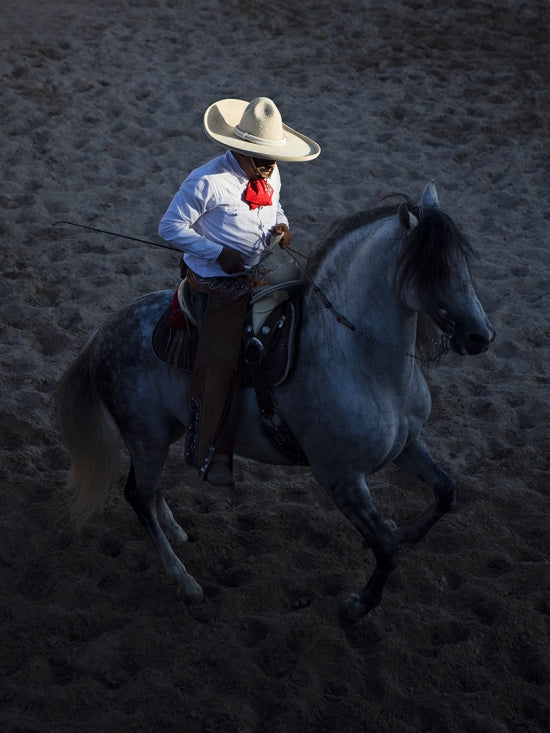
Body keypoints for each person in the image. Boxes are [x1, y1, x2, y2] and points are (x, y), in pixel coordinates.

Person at [158, 97, 320, 487]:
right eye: (259, 156)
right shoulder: (206, 181)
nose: (268, 164)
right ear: (238, 148)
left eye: (271, 156)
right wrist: (217, 252)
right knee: (222, 363)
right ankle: (211, 451)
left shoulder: (272, 174)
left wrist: (282, 225)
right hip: (216, 284)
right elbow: (169, 227)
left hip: (261, 269)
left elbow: (275, 207)